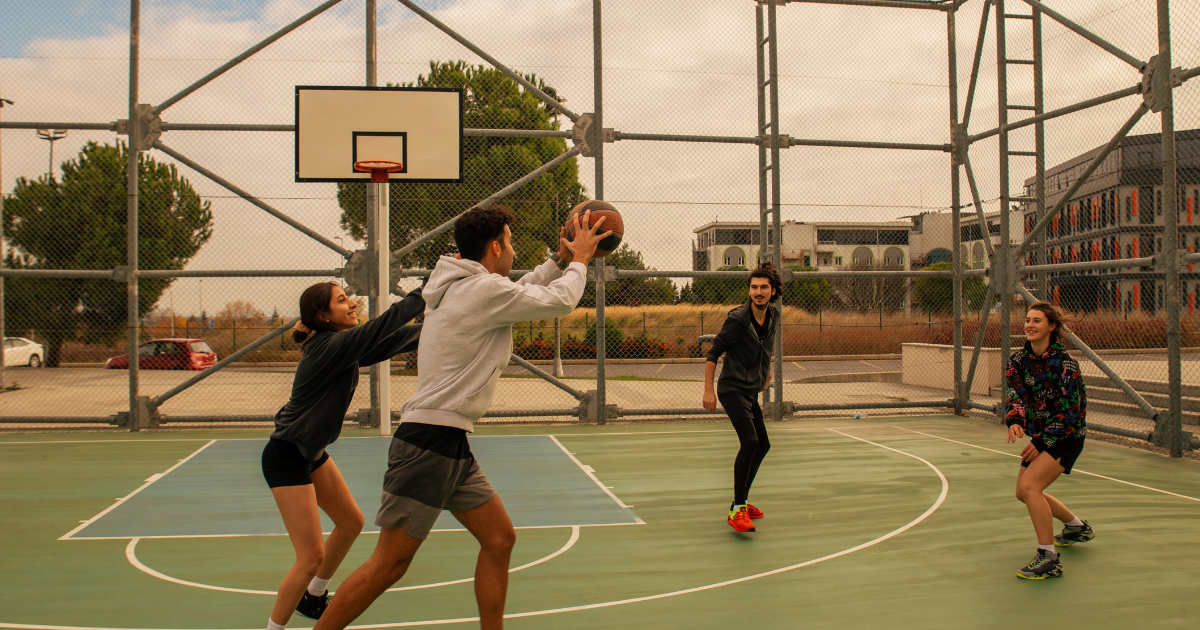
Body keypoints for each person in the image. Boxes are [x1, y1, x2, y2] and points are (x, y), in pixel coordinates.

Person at [313, 204, 612, 630]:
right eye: (510, 243)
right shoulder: (480, 292)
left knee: (499, 539)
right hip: (429, 445)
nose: (513, 251)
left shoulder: (469, 286)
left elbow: (522, 288)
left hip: (447, 442)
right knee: (389, 564)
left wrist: (560, 260)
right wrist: (580, 261)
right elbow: (558, 300)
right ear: (495, 246)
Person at [262, 282, 424, 630]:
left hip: (311, 453)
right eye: (342, 301)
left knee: (351, 522)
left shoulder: (342, 347)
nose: (352, 304)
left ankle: (314, 596)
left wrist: (453, 326)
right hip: (287, 456)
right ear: (323, 316)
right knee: (310, 558)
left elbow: (396, 339)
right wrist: (424, 293)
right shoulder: (328, 346)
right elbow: (385, 325)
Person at [1005, 301, 1094, 580]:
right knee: (1023, 492)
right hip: (1043, 437)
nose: (1030, 325)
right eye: (1028, 320)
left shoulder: (1066, 365)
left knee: (1031, 486)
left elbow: (1070, 413)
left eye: (1037, 321)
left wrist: (1042, 442)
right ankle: (1076, 527)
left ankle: (1048, 558)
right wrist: (1016, 421)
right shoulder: (1017, 362)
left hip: (1067, 437)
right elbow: (1017, 397)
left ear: (1051, 327)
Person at [702, 262, 780, 534]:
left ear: (773, 291)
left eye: (763, 287)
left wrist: (766, 372)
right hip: (731, 389)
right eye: (753, 287)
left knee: (763, 445)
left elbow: (767, 348)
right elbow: (713, 353)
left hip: (749, 390)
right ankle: (737, 509)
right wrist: (708, 390)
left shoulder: (774, 316)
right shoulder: (737, 320)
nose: (758, 292)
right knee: (750, 441)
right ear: (749, 290)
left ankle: (742, 503)